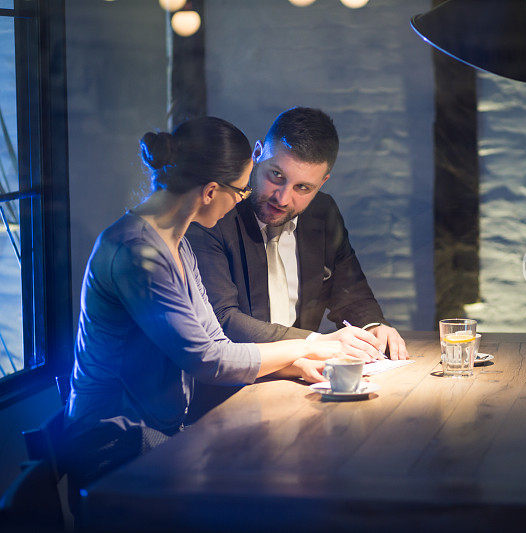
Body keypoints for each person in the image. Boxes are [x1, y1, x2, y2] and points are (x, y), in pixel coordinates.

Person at [64, 117, 356, 486]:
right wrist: (314, 346)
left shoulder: (178, 243)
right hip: (116, 445)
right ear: (210, 191)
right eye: (240, 193)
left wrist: (296, 364)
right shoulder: (135, 253)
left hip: (159, 433)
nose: (241, 201)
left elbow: (217, 341)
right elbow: (207, 360)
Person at [185, 107, 408, 360]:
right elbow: (222, 320)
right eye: (277, 175)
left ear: (322, 182)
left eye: (303, 187)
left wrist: (374, 327)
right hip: (239, 380)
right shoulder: (217, 214)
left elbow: (350, 292)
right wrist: (315, 342)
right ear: (257, 153)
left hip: (304, 378)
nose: (282, 198)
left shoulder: (323, 212)